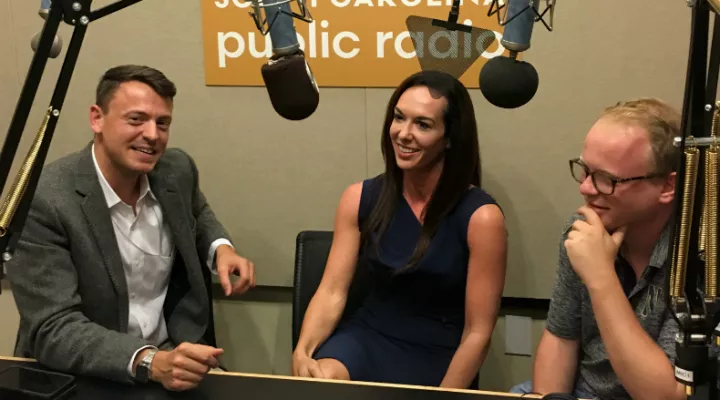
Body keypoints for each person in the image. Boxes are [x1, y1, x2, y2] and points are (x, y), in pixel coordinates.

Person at [5, 65, 256, 391]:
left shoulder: (176, 170)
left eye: (162, 123)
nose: (152, 135)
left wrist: (221, 247)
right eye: (136, 119)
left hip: (169, 354)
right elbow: (53, 328)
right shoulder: (43, 200)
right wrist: (149, 361)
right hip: (80, 373)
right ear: (97, 118)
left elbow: (198, 211)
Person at [292, 70, 507, 389]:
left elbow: (478, 333)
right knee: (323, 384)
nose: (403, 134)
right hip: (367, 337)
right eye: (398, 118)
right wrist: (304, 352)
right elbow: (332, 291)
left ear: (449, 138)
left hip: (438, 352)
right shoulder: (358, 198)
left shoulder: (482, 218)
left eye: (422, 124)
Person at [510, 98, 686, 400]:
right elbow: (561, 339)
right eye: (585, 170)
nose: (586, 188)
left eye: (608, 179)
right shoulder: (583, 230)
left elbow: (667, 395)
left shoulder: (698, 256)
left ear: (667, 187)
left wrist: (600, 276)